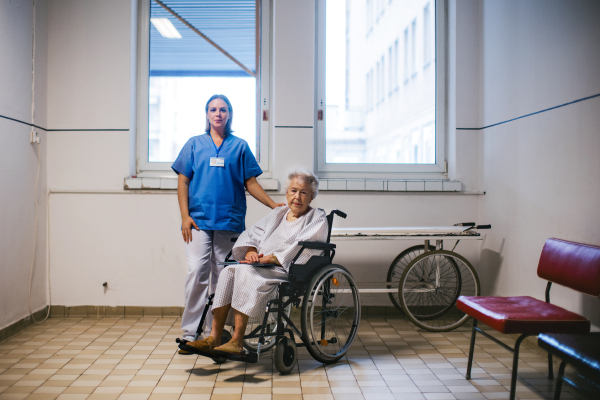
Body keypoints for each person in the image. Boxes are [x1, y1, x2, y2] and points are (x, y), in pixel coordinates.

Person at [172, 94, 283, 350]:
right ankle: (191, 333)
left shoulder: (240, 146)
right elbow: (183, 181)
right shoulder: (194, 144)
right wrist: (184, 216)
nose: (218, 114)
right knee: (197, 273)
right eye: (213, 109)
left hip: (229, 220)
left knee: (223, 277)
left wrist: (272, 204)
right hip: (198, 221)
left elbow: (251, 182)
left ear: (229, 114)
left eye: (223, 109)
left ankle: (216, 332)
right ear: (207, 115)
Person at [182, 168, 328, 357]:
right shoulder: (278, 213)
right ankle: (213, 338)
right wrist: (251, 250)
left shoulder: (316, 217)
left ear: (311, 196)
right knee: (229, 271)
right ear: (286, 193)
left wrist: (274, 258)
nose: (297, 197)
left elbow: (309, 246)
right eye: (293, 191)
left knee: (244, 272)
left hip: (286, 270)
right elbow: (252, 233)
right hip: (260, 265)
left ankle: (237, 341)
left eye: (303, 192)